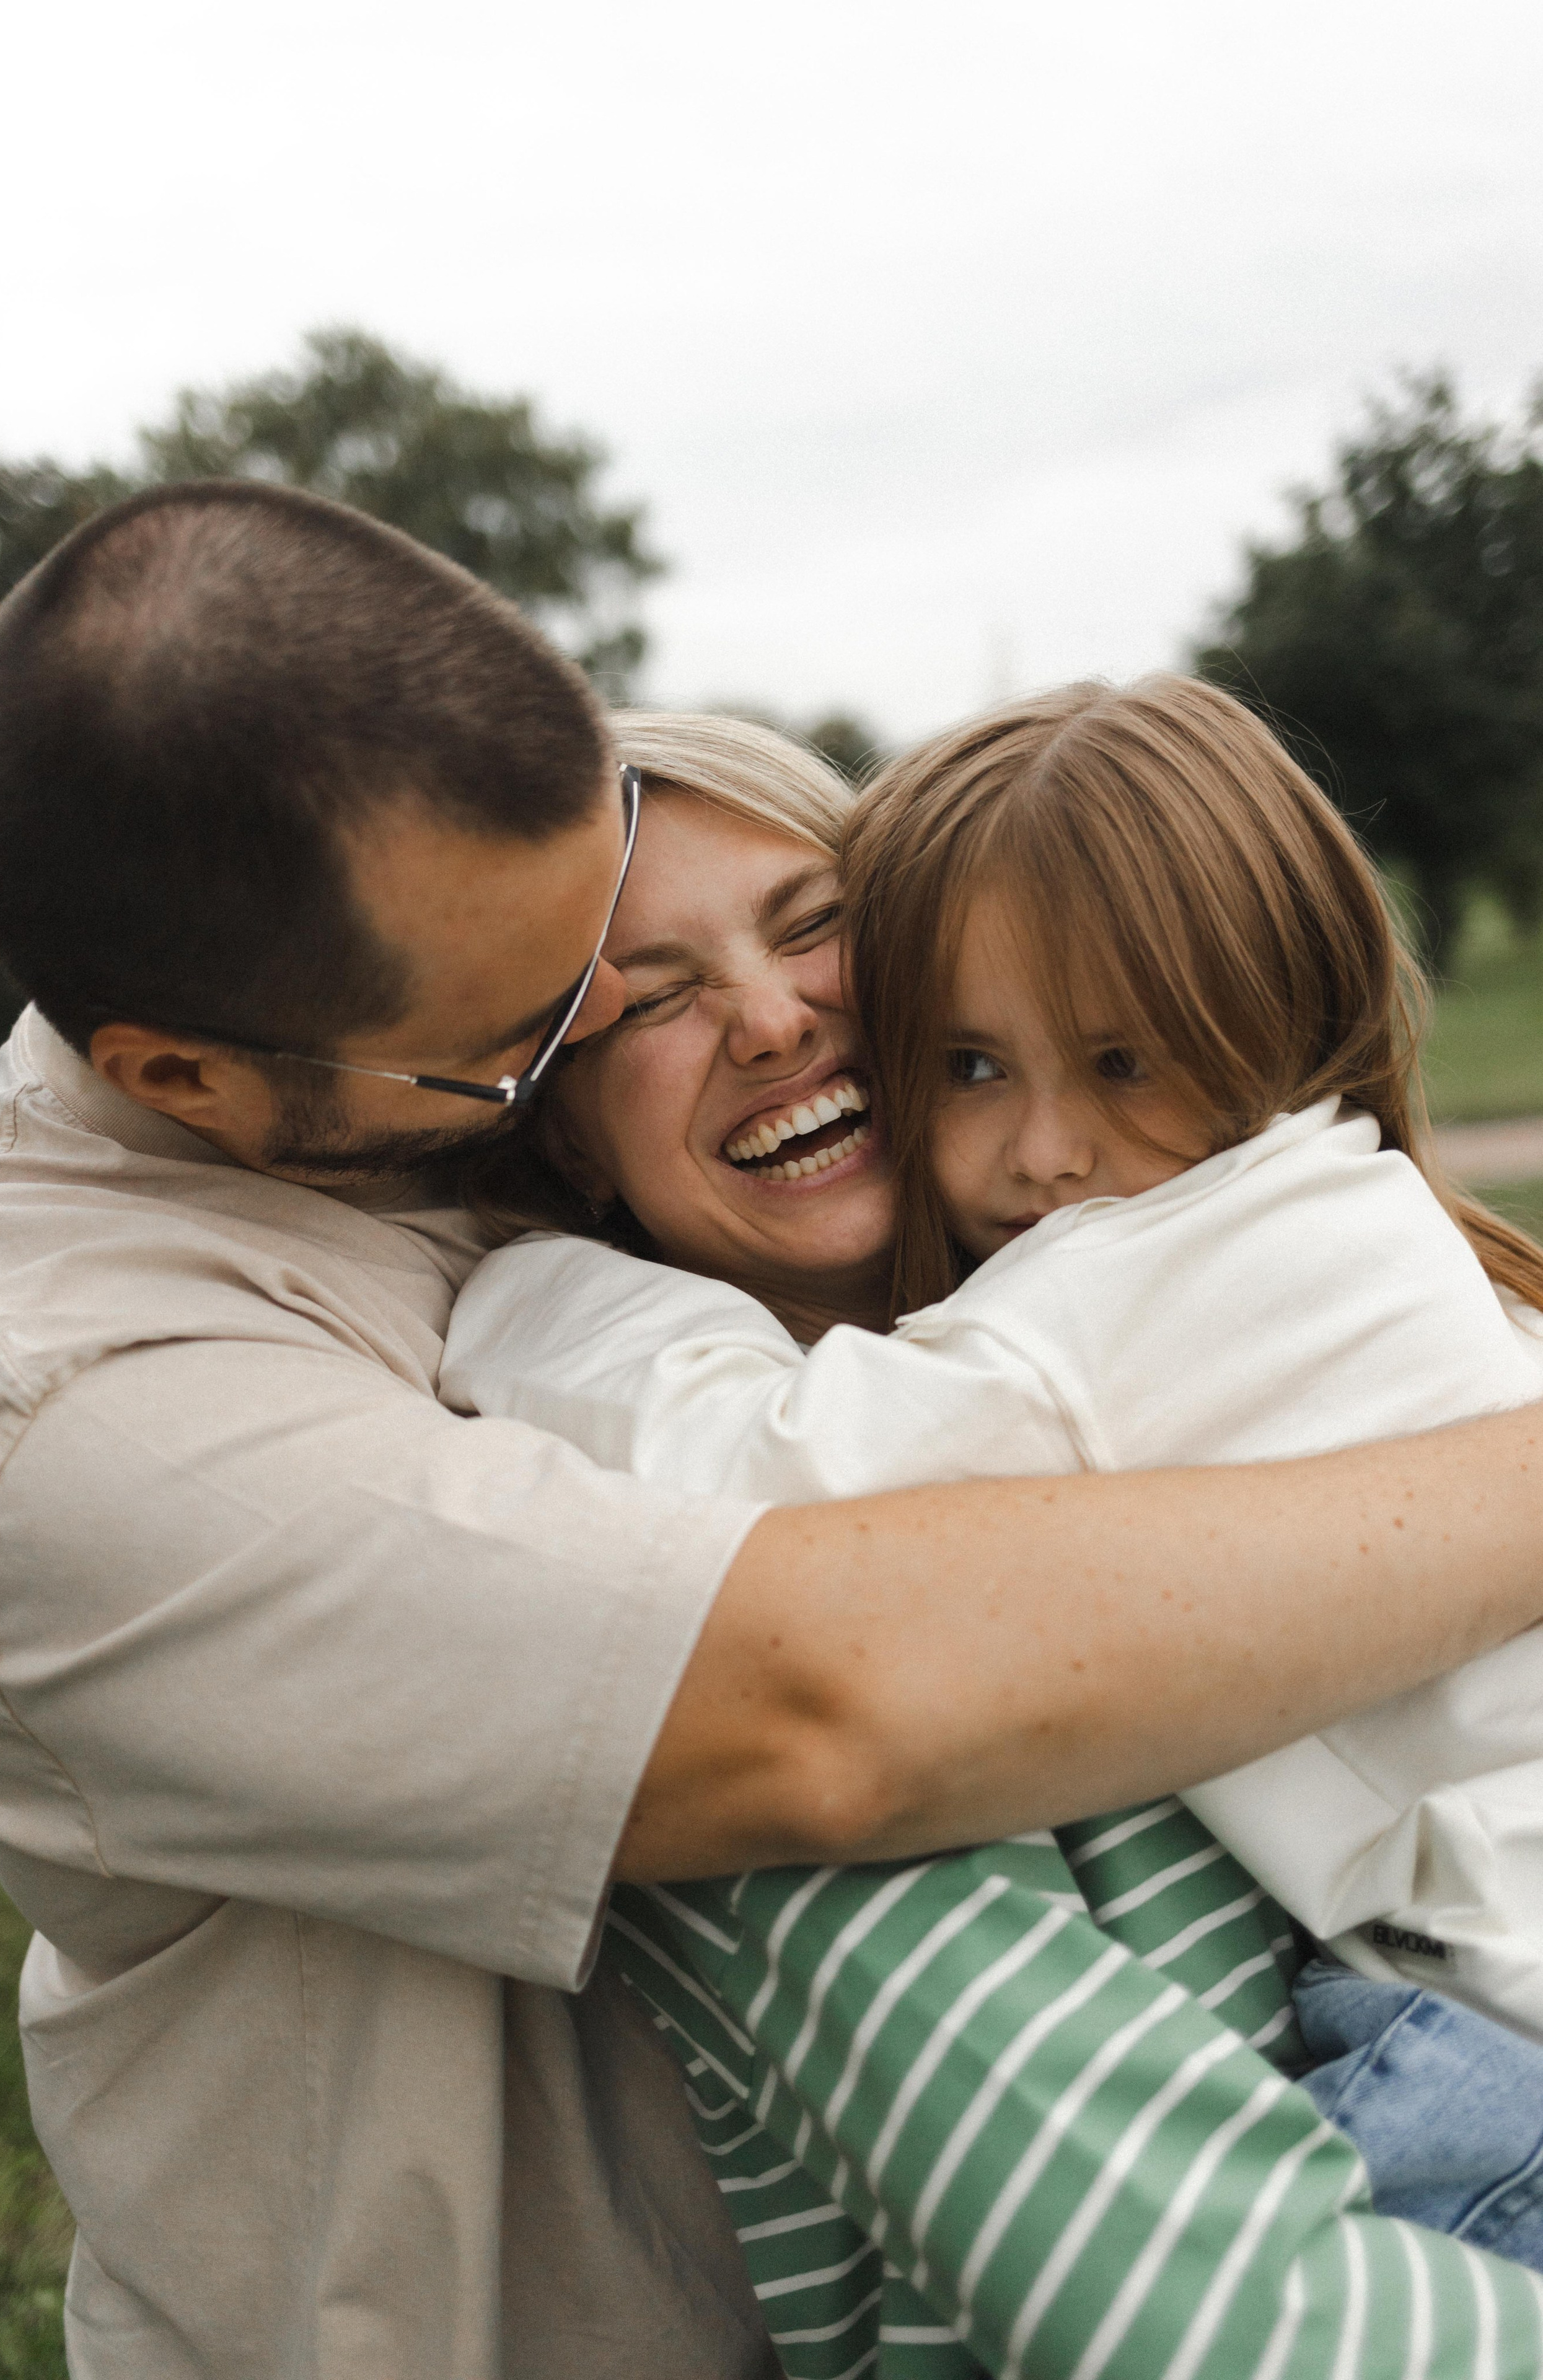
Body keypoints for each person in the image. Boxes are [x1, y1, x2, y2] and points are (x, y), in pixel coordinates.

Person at [0, 491, 1542, 2380]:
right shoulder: (84, 1417)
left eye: (822, 930)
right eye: (561, 1027)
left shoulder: (1128, 1294)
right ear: (190, 1078)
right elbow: (818, 1700)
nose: (784, 1024)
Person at [447, 695, 1543, 2366]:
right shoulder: (1325, 1225)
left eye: (1123, 1062)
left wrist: (521, 1297)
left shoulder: (1130, 1285)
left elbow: (763, 1471)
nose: (1043, 1154)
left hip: (1481, 2038)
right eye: (972, 1068)